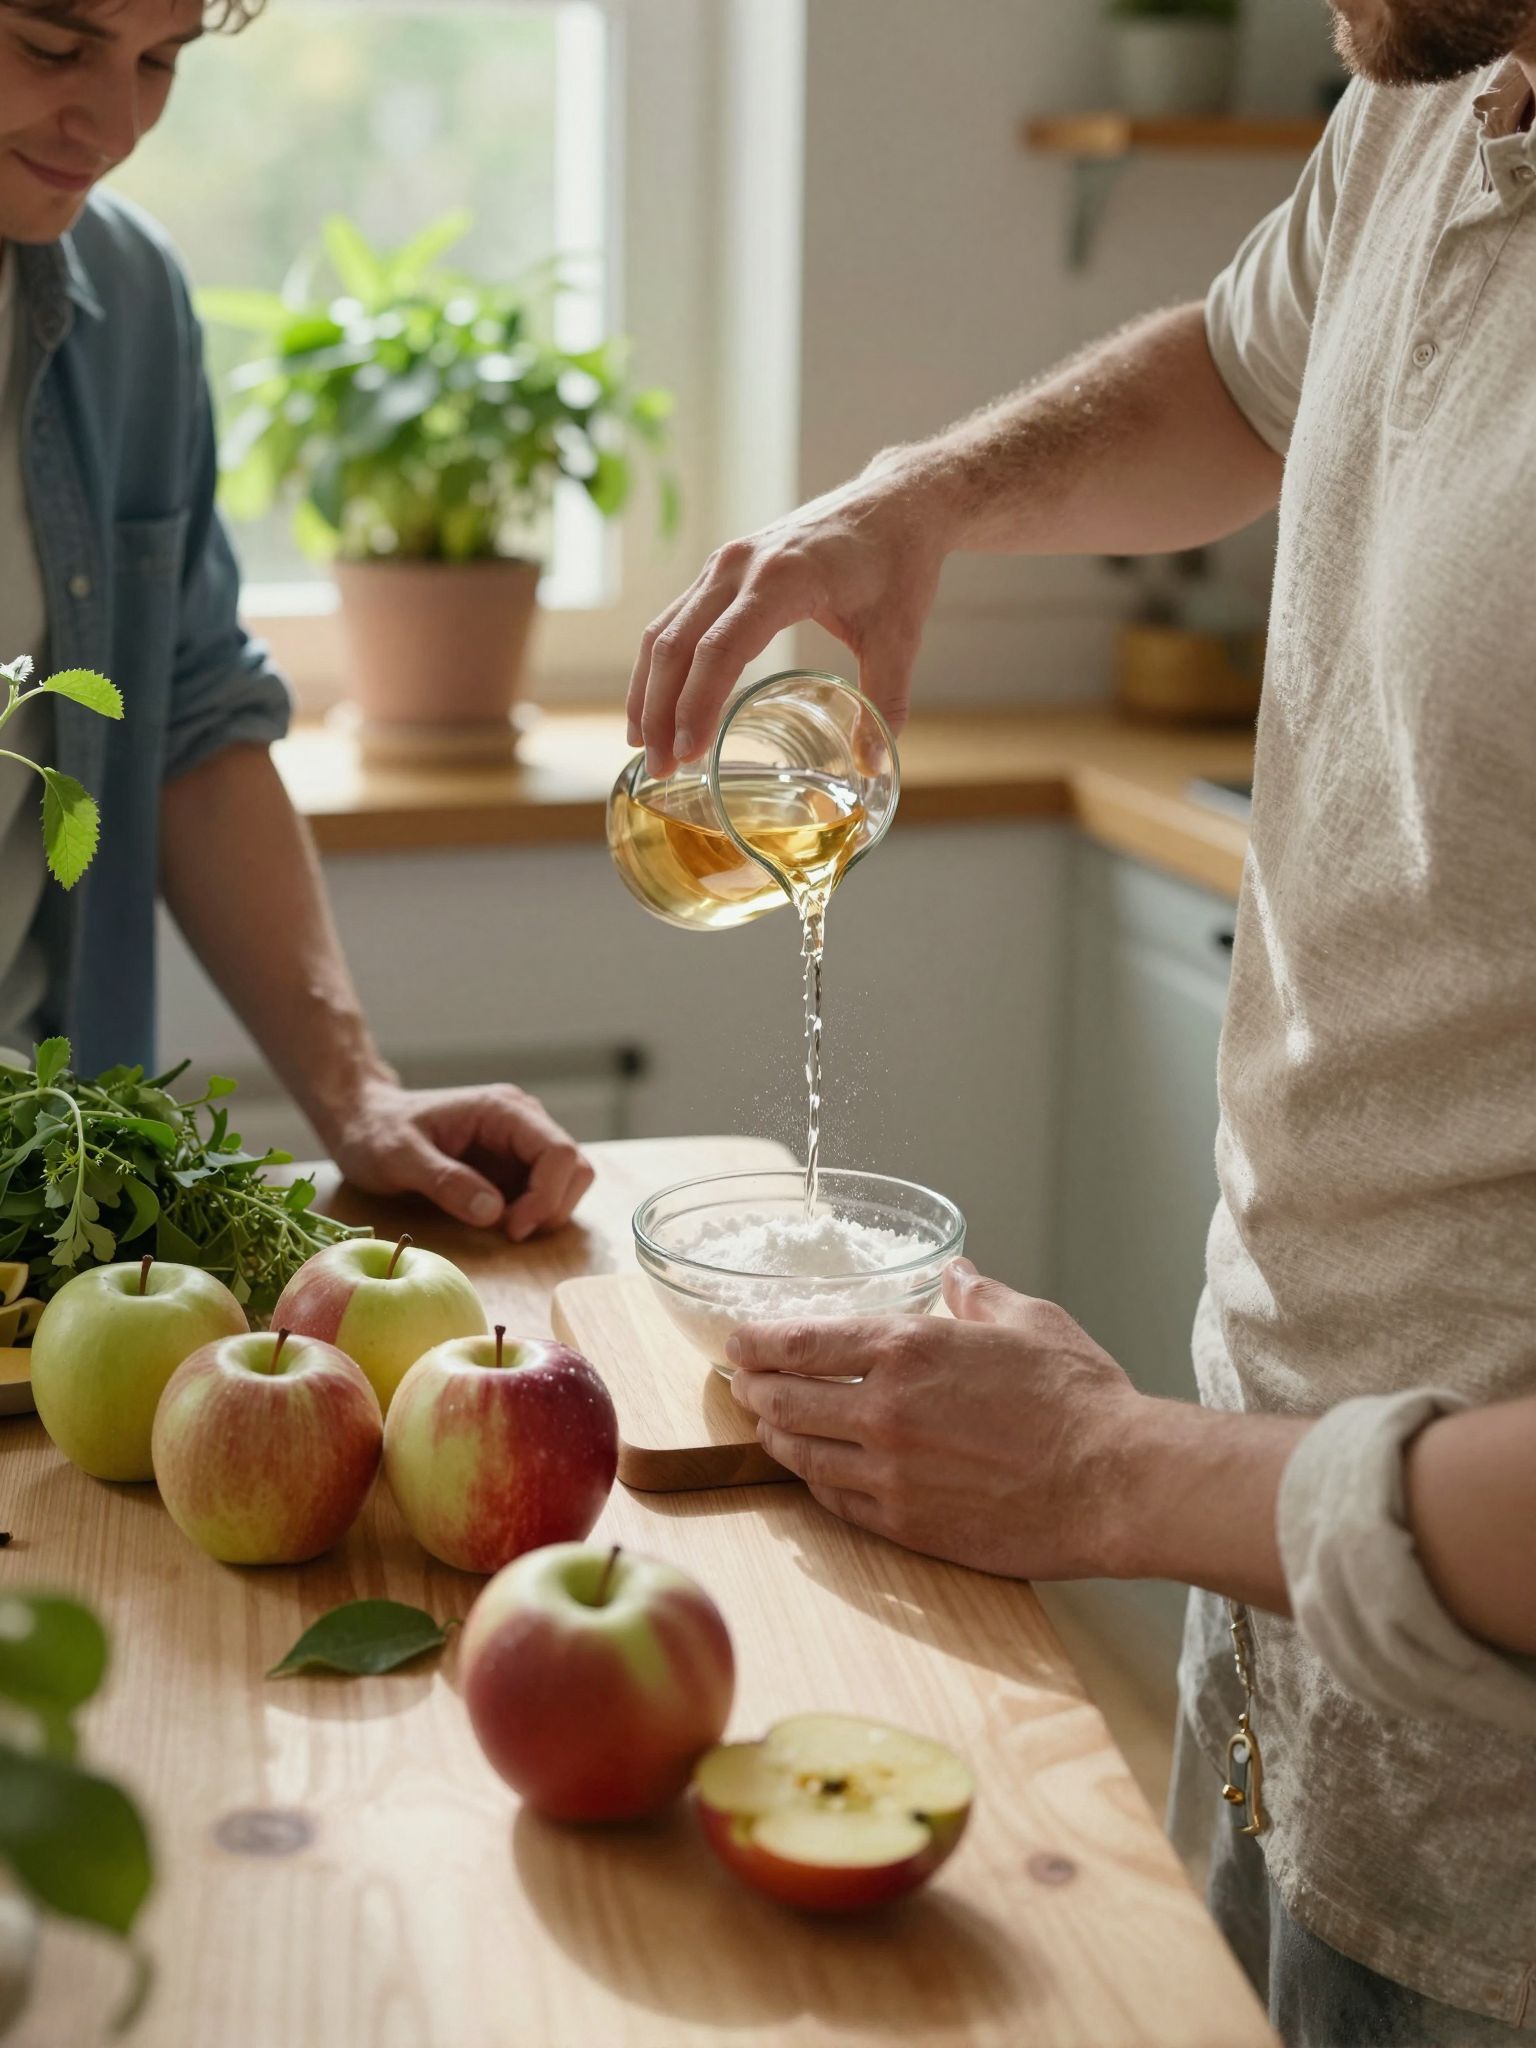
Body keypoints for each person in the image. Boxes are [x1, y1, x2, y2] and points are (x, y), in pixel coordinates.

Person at [629, 1, 1536, 2042]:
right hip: (1302, 1689)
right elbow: (1242, 367)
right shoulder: (1445, 90)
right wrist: (920, 495)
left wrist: (1120, 1472)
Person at [0, 0, 593, 1242]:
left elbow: (191, 725)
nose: (113, 124)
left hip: (43, 1202)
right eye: (53, 47)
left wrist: (358, 1093)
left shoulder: (130, 302)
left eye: (161, 61)